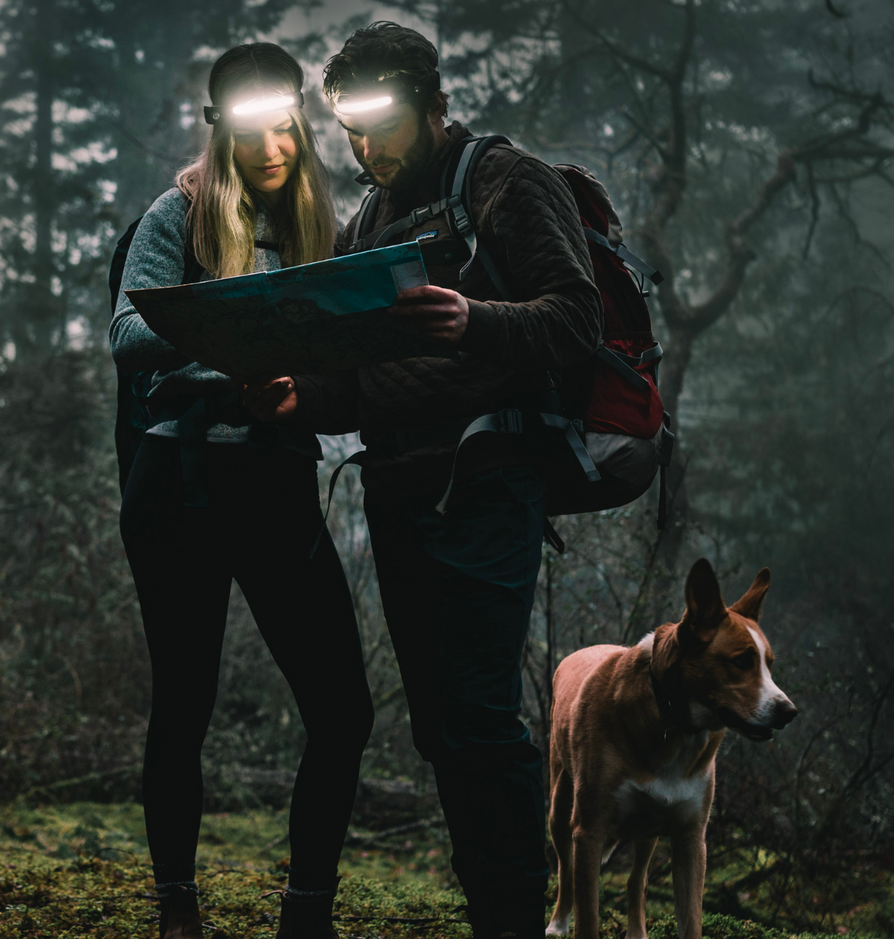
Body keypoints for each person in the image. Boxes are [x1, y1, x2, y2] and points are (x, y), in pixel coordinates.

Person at [244, 22, 603, 939]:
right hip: (396, 493)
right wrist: (301, 396)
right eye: (349, 130)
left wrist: (475, 320)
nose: (365, 148)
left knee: (480, 720)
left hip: (487, 480)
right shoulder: (368, 220)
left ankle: (520, 920)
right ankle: (495, 910)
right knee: (441, 731)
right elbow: (358, 374)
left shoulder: (503, 180)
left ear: (435, 103)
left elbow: (575, 321)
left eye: (381, 123)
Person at [108, 43, 374, 939]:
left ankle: (307, 914)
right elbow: (125, 333)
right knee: (185, 699)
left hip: (275, 484)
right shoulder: (176, 214)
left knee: (343, 706)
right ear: (224, 132)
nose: (276, 148)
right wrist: (226, 336)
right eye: (256, 132)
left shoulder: (316, 229)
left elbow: (346, 342)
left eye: (288, 131)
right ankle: (178, 910)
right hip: (179, 483)